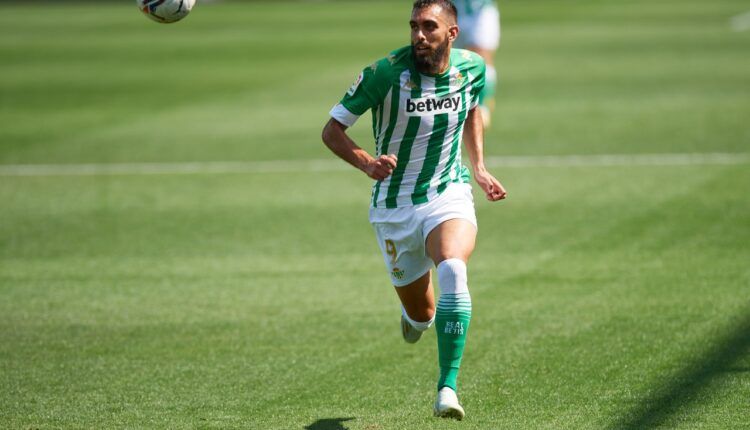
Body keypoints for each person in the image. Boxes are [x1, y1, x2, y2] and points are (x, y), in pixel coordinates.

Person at [321, 0, 507, 420]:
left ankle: (447, 386)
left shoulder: (471, 68)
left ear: (452, 33)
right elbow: (331, 130)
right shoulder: (385, 74)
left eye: (429, 27)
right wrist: (367, 163)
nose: (419, 36)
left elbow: (474, 106)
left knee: (454, 269)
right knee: (422, 315)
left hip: (448, 192)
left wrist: (477, 166)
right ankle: (414, 320)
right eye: (413, 27)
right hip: (394, 206)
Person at [453, 0, 500, 128]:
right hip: (454, 9)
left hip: (480, 10)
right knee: (460, 59)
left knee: (480, 55)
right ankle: (459, 103)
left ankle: (483, 105)